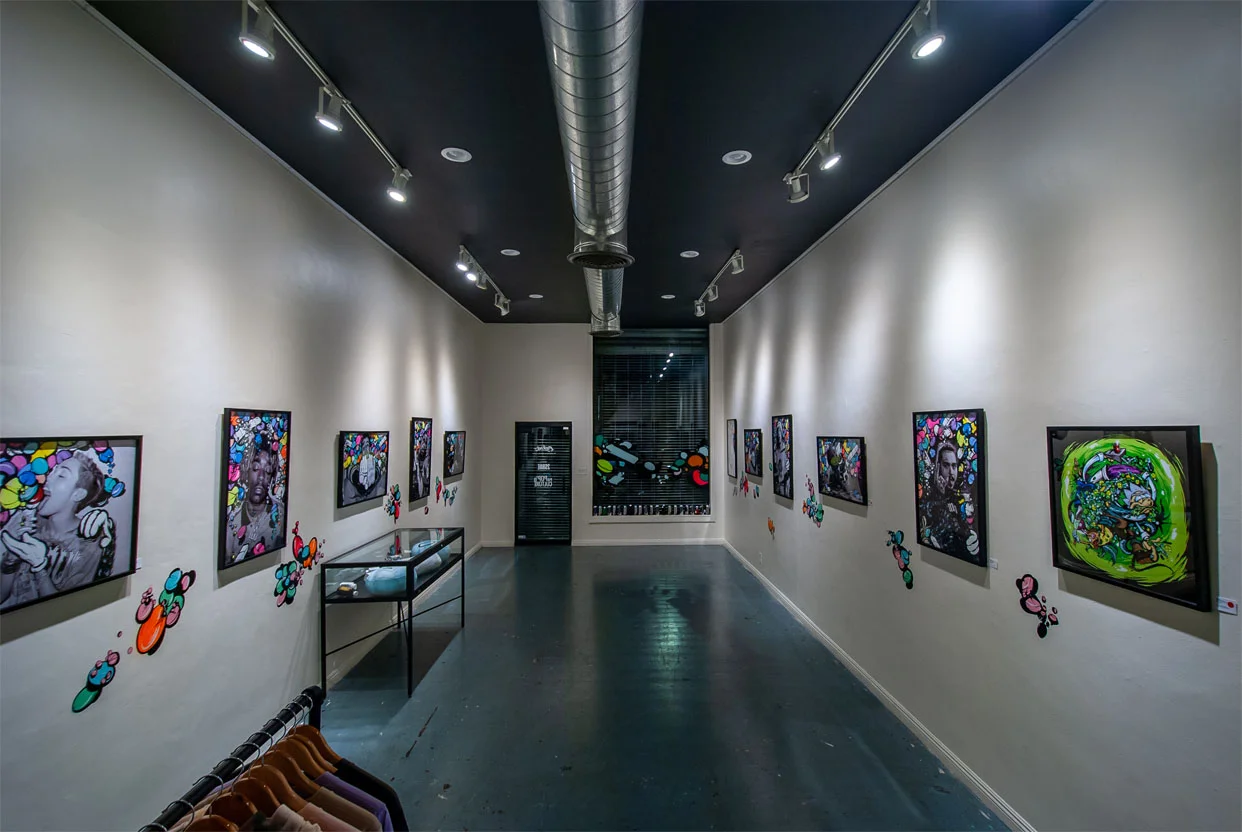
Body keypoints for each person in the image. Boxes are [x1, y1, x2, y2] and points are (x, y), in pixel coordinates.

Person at [1, 451, 116, 609]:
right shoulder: (29, 524)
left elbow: (66, 608)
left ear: (78, 494)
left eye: (61, 475)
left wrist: (40, 566)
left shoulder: (89, 542)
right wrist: (12, 551)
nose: (48, 477)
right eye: (52, 471)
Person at [225, 431, 286, 564]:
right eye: (256, 468)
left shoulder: (281, 514)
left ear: (272, 477)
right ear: (246, 471)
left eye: (267, 471)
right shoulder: (231, 524)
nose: (261, 477)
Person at [921, 442, 970, 554]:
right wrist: (940, 495)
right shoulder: (929, 498)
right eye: (946, 466)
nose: (951, 472)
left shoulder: (959, 498)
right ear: (938, 468)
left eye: (954, 466)